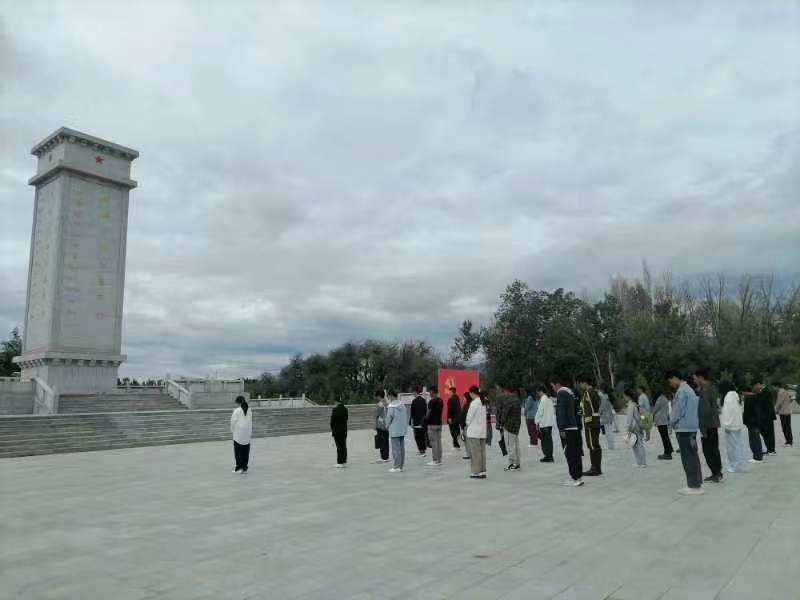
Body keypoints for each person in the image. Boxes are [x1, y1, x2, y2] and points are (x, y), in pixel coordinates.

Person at [668, 371, 704, 495]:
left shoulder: (682, 391)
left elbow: (678, 410)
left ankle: (693, 485)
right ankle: (697, 483)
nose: (670, 384)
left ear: (674, 378)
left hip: (684, 429)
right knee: (693, 456)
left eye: (670, 381)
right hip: (691, 428)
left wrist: (671, 422)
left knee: (687, 457)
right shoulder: (690, 390)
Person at [553, 378, 583, 487]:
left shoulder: (561, 393)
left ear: (557, 384)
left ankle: (575, 478)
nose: (553, 388)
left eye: (553, 386)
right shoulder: (571, 393)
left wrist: (561, 428)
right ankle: (578, 476)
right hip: (574, 426)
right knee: (576, 453)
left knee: (569, 453)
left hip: (567, 428)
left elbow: (561, 412)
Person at [694, 370, 723, 483]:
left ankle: (716, 473)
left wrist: (703, 429)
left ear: (701, 378)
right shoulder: (711, 388)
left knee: (708, 451)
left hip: (707, 425)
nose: (695, 381)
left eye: (696, 378)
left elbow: (705, 410)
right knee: (714, 449)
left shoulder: (706, 390)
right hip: (713, 424)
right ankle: (717, 472)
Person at [720, 381, 746, 473]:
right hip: (737, 424)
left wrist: (726, 424)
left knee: (732, 447)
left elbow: (727, 412)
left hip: (731, 425)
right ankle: (737, 464)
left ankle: (735, 465)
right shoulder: (736, 395)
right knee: (736, 445)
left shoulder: (728, 396)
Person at [580, 383, 602, 476]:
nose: (580, 385)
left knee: (592, 445)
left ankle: (595, 468)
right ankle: (597, 468)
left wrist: (587, 423)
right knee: (595, 445)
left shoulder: (588, 393)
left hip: (591, 422)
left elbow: (588, 409)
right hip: (596, 420)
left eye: (580, 383)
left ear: (585, 382)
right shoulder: (595, 392)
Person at [465, 386, 487, 479]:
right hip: (482, 431)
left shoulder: (474, 403)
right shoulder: (483, 402)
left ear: (472, 393)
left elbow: (469, 417)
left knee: (475, 453)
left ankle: (476, 471)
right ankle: (482, 471)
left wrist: (467, 424)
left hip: (474, 432)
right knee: (482, 452)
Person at [385, 391, 407, 472]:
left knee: (396, 449)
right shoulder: (402, 405)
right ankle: (400, 466)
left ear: (391, 396)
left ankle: (396, 466)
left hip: (394, 430)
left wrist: (386, 426)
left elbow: (389, 418)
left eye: (388, 396)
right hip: (402, 430)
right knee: (401, 449)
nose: (388, 398)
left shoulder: (391, 406)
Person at [502, 386, 522, 471]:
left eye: (505, 392)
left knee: (510, 445)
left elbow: (505, 413)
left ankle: (512, 463)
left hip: (509, 426)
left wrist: (501, 423)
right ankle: (517, 463)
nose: (504, 394)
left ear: (508, 391)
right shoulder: (518, 400)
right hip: (516, 426)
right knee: (516, 445)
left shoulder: (509, 401)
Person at [230, 395, 252, 474]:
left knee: (238, 451)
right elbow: (250, 421)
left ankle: (238, 468)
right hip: (247, 433)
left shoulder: (237, 410)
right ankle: (244, 468)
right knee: (246, 451)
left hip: (238, 434)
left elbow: (233, 421)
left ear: (238, 402)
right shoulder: (249, 410)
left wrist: (232, 430)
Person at [753, 381, 776, 456]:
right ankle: (769, 449)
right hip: (764, 417)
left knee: (769, 434)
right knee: (765, 433)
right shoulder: (762, 392)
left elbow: (760, 401)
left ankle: (771, 450)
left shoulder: (766, 392)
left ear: (759, 384)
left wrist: (756, 394)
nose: (755, 388)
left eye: (755, 386)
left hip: (767, 417)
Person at [535, 387, 555, 462]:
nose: (537, 394)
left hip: (544, 423)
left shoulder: (543, 400)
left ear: (540, 391)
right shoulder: (549, 400)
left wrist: (536, 421)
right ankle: (550, 455)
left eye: (538, 392)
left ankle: (547, 456)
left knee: (544, 441)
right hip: (549, 423)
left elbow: (540, 412)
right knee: (549, 440)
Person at [627, 394, 647, 468]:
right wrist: (642, 423)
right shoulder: (638, 405)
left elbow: (629, 418)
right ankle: (643, 462)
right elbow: (643, 415)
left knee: (635, 445)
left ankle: (640, 462)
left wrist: (628, 427)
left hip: (634, 427)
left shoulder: (631, 405)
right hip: (639, 426)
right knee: (640, 445)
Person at [652, 390, 673, 460]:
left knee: (664, 438)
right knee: (665, 437)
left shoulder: (660, 398)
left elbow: (655, 409)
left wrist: (652, 414)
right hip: (664, 420)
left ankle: (667, 453)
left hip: (660, 420)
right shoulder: (665, 399)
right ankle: (669, 451)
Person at [426, 387, 444, 466]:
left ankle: (435, 460)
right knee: (439, 442)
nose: (429, 394)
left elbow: (428, 413)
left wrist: (425, 419)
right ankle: (439, 459)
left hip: (432, 424)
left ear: (433, 392)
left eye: (430, 392)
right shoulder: (441, 400)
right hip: (439, 423)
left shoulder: (431, 401)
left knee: (434, 442)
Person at [330, 397, 349, 468]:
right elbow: (346, 419)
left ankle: (340, 462)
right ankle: (344, 461)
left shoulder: (335, 410)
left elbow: (332, 421)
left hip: (337, 431)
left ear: (337, 402)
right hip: (344, 430)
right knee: (343, 445)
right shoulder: (345, 409)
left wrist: (333, 430)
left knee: (339, 447)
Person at [409, 387, 428, 456]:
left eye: (413, 392)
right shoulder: (423, 400)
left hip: (416, 422)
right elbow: (426, 411)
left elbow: (412, 413)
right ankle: (423, 450)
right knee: (422, 436)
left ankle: (421, 450)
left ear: (415, 392)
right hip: (423, 422)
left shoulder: (414, 401)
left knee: (417, 437)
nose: (412, 393)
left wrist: (411, 422)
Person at [775, 383, 793, 447]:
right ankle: (789, 441)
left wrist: (775, 409)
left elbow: (779, 402)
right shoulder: (786, 391)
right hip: (787, 411)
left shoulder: (781, 392)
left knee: (785, 427)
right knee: (787, 427)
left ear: (777, 386)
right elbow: (791, 399)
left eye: (774, 387)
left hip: (783, 412)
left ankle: (789, 442)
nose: (774, 389)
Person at [373, 390, 390, 463]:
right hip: (387, 425)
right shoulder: (387, 403)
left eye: (377, 396)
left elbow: (376, 415)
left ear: (379, 396)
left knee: (381, 441)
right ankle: (386, 457)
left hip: (380, 425)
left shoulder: (379, 405)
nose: (377, 398)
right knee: (386, 441)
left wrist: (374, 426)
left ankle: (383, 457)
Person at [598, 385, 616, 450]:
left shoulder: (604, 397)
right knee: (609, 431)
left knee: (608, 432)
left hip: (606, 416)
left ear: (602, 390)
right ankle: (611, 445)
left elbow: (602, 407)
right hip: (610, 415)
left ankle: (611, 446)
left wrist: (598, 413)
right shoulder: (609, 396)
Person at [460, 391, 471, 460]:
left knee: (467, 440)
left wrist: (462, 425)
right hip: (470, 425)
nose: (463, 399)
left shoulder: (466, 406)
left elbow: (463, 416)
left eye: (464, 397)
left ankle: (468, 454)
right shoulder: (471, 404)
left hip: (466, 425)